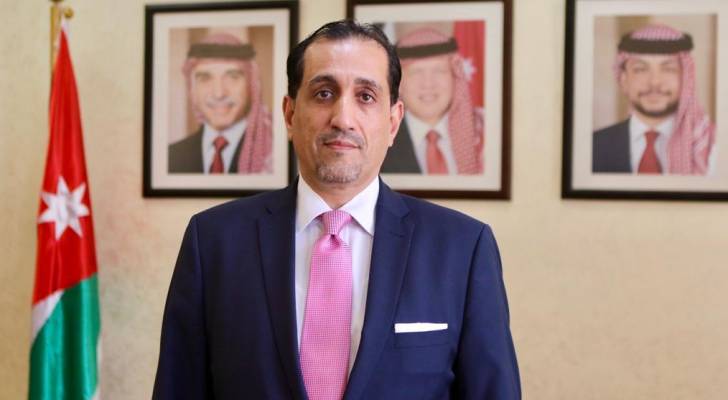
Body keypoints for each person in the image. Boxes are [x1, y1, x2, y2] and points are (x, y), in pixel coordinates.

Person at [153, 20, 519, 399]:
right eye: (324, 93)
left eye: (366, 97)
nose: (343, 119)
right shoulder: (213, 242)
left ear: (393, 122)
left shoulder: (463, 248)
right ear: (290, 114)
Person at [593, 24, 716, 174]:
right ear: (624, 80)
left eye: (668, 69)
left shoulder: (713, 146)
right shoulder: (591, 146)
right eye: (640, 69)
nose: (654, 82)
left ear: (686, 79)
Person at [381, 27, 483, 175]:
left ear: (455, 77)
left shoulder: (482, 136)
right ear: (400, 84)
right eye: (416, 73)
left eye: (439, 71)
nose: (428, 84)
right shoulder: (378, 143)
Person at [168, 33, 272, 174]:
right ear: (192, 89)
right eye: (205, 78)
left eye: (233, 77)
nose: (219, 93)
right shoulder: (172, 157)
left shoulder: (273, 155)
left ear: (251, 85)